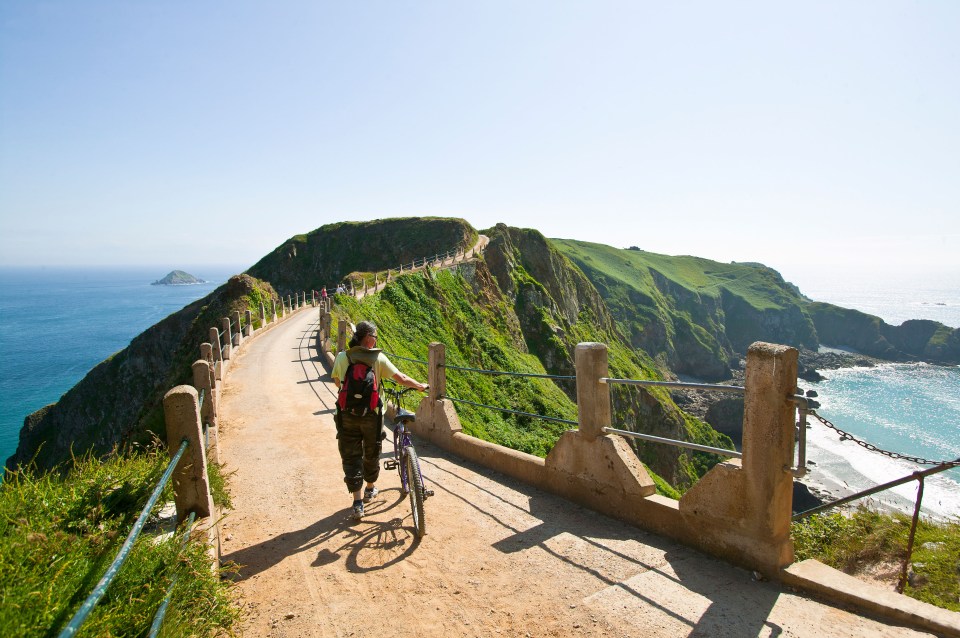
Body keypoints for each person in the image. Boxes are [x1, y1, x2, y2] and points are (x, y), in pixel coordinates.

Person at [331, 321, 428, 520]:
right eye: (374, 338)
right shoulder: (378, 358)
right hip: (372, 415)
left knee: (351, 455)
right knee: (371, 450)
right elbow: (400, 378)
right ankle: (370, 488)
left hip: (347, 413)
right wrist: (419, 386)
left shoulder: (342, 356)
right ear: (369, 339)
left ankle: (357, 503)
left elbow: (337, 382)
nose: (375, 341)